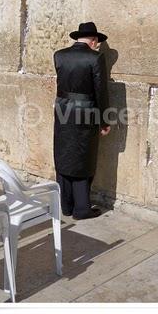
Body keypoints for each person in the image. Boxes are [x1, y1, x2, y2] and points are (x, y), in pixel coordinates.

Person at [53, 22, 111, 220]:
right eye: (97, 43)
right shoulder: (95, 58)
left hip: (62, 110)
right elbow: (101, 92)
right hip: (86, 112)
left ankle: (66, 205)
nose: (97, 46)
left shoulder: (59, 55)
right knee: (83, 156)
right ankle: (82, 209)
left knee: (64, 153)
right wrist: (105, 120)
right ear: (93, 40)